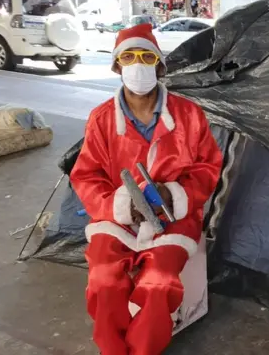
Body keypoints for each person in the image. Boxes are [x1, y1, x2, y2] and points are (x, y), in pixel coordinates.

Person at [70, 23, 223, 355]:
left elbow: (208, 167)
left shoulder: (189, 115)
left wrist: (173, 195)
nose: (138, 64)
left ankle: (143, 350)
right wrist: (120, 206)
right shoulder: (101, 119)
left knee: (159, 282)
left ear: (159, 65)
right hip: (116, 219)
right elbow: (86, 176)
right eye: (129, 56)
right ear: (116, 65)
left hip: (173, 219)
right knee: (104, 281)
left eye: (145, 56)